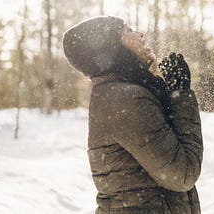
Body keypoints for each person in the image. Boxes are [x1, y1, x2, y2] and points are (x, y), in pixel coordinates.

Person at [63, 16, 203, 214]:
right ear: (112, 49)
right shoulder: (126, 99)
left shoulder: (116, 94)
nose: (140, 34)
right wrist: (180, 97)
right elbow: (182, 173)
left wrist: (170, 95)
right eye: (127, 32)